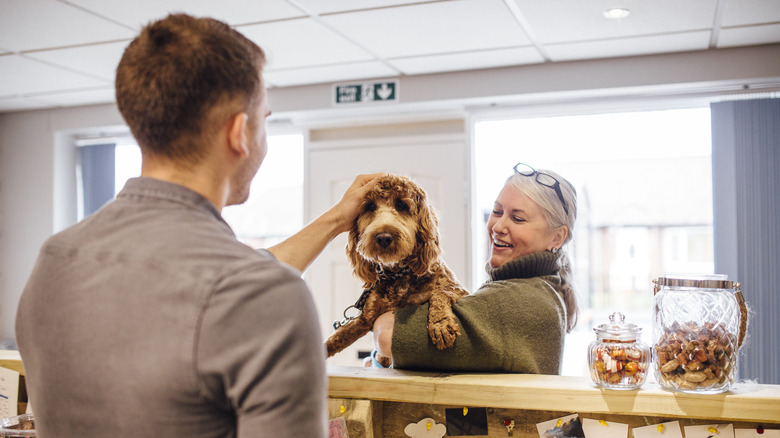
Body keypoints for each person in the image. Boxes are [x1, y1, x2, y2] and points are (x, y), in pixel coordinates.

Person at [15, 14, 378, 438]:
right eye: (265, 119)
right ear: (240, 132)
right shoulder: (264, 295)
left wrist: (337, 219)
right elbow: (235, 289)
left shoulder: (55, 260)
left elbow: (213, 285)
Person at [369, 163, 578, 374]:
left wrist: (381, 317)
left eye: (517, 218)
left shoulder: (521, 301)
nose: (497, 227)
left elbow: (387, 336)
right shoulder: (542, 288)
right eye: (497, 212)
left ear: (557, 237)